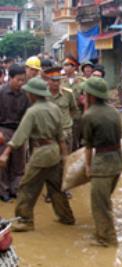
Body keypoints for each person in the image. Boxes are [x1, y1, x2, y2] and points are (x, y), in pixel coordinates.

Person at [0, 77, 75, 232]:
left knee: (26, 187)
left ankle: (25, 220)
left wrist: (6, 153)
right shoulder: (54, 108)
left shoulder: (32, 111)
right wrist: (65, 156)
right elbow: (60, 135)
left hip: (41, 153)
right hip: (55, 151)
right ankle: (66, 217)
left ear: (32, 94)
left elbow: (20, 136)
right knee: (56, 187)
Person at [81, 77, 122, 247]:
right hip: (118, 162)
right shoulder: (114, 112)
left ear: (90, 95)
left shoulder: (89, 115)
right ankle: (103, 232)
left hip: (102, 164)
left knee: (99, 204)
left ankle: (107, 239)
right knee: (106, 200)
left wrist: (88, 166)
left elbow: (89, 146)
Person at [0, 65, 28, 202]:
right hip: (3, 129)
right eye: (18, 80)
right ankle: (3, 190)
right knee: (4, 163)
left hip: (19, 129)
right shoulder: (1, 92)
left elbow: (27, 115)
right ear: (10, 78)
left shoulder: (25, 94)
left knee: (19, 162)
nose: (21, 83)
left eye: (23, 80)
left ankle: (14, 188)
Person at [61, 56, 85, 151]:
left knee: (78, 141)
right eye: (64, 65)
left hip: (78, 115)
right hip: (65, 116)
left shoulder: (82, 81)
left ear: (74, 67)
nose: (65, 68)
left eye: (67, 65)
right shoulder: (60, 81)